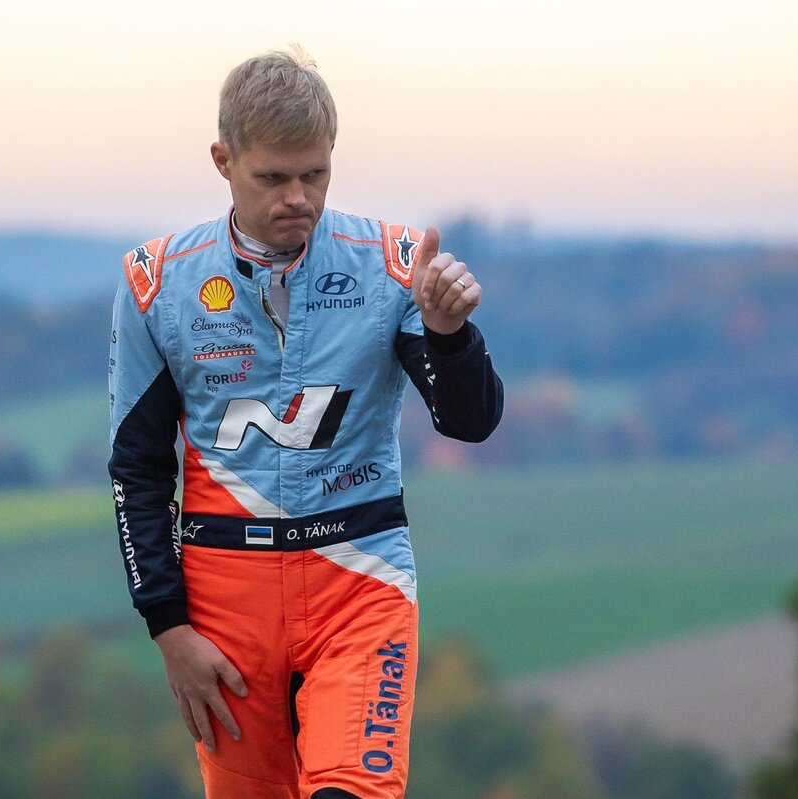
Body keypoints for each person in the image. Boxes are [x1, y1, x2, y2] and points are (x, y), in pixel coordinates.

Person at [108, 46, 503, 799]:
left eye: (315, 174)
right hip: (224, 596)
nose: (299, 198)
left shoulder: (391, 265)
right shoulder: (156, 284)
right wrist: (168, 628)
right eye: (273, 178)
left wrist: (450, 335)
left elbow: (470, 421)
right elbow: (138, 469)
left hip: (359, 576)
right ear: (223, 161)